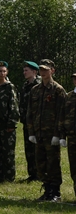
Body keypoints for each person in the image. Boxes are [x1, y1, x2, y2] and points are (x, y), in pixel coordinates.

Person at [27, 59, 66, 201]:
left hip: (51, 134)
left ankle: (55, 192)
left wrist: (58, 134)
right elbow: (30, 113)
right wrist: (31, 132)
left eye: (46, 69)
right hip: (39, 133)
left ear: (52, 71)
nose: (43, 72)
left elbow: (61, 114)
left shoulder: (58, 90)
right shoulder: (35, 90)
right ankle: (47, 189)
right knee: (41, 162)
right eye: (41, 69)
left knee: (53, 163)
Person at [20, 61, 41, 182]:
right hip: (26, 122)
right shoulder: (25, 85)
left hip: (36, 122)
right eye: (24, 70)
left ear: (34, 71)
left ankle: (39, 173)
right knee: (28, 148)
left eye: (26, 70)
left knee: (36, 148)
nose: (24, 72)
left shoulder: (38, 85)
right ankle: (32, 173)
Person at [60, 73, 76, 201]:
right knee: (74, 168)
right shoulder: (69, 96)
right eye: (74, 79)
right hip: (72, 137)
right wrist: (62, 135)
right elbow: (62, 116)